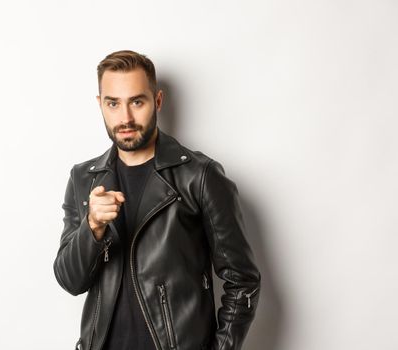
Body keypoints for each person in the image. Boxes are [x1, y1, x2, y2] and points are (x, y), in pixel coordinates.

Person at [53, 50, 261, 350]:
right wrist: (92, 227)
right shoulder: (84, 179)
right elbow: (70, 280)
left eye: (137, 101)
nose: (125, 118)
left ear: (157, 101)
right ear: (101, 105)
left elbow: (243, 282)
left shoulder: (199, 176)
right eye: (113, 103)